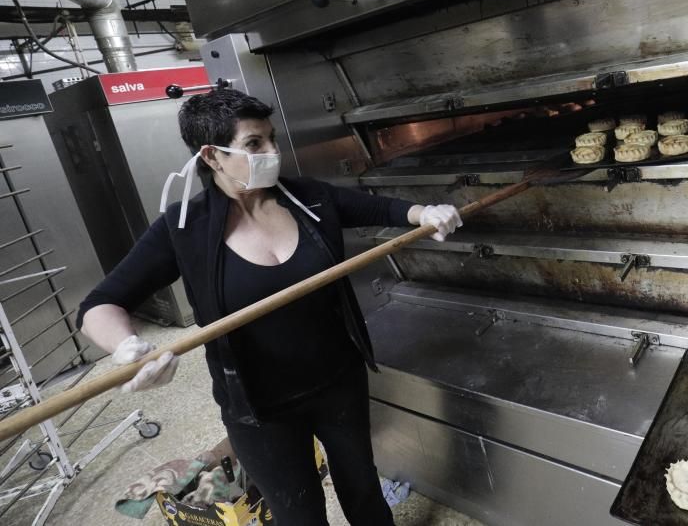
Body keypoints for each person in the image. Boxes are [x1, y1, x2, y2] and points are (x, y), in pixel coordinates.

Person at [77, 89, 462, 525]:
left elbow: (381, 207)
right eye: (254, 144)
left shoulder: (308, 198)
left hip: (339, 382)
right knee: (300, 515)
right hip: (260, 409)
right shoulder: (184, 229)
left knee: (365, 496)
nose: (272, 152)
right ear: (212, 156)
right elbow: (100, 304)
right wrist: (126, 347)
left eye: (272, 139)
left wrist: (425, 212)